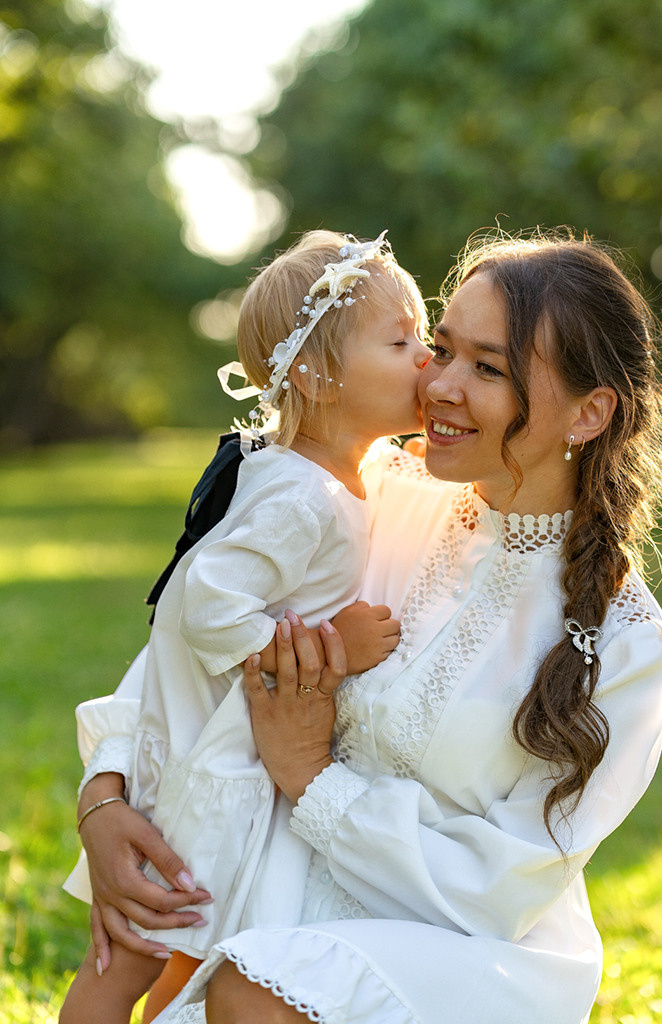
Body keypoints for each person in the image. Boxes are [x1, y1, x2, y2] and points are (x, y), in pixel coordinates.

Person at [67, 229, 662, 1024]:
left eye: (488, 367)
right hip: (278, 899)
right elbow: (199, 635)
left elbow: (499, 885)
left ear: (589, 413)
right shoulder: (365, 500)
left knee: (253, 991)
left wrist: (312, 780)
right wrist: (107, 793)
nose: (438, 383)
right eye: (438, 347)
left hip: (468, 954)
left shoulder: (629, 645)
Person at [59, 229, 430, 1024]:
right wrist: (336, 644)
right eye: (402, 341)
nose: (426, 359)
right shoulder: (303, 497)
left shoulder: (328, 477)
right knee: (139, 947)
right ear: (317, 373)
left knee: (172, 949)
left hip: (226, 750)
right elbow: (206, 604)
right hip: (211, 761)